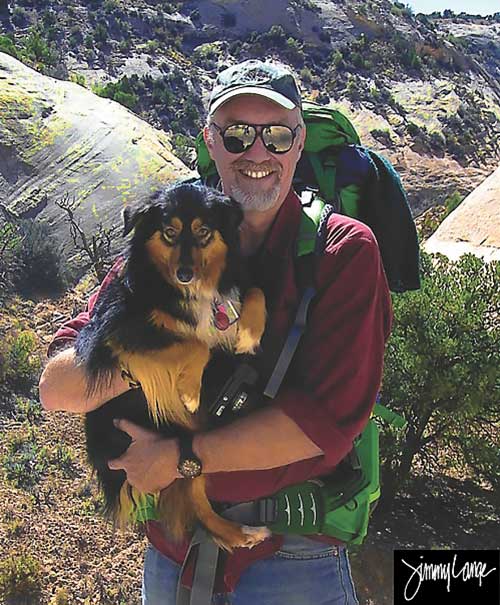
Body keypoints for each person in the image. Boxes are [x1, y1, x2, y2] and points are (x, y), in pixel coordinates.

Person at [39, 59, 392, 605]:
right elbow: (58, 387)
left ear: (298, 145)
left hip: (291, 554)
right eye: (237, 135)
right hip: (175, 546)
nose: (257, 153)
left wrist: (180, 457)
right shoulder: (163, 239)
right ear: (211, 142)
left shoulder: (343, 253)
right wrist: (181, 341)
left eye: (276, 135)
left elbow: (323, 424)